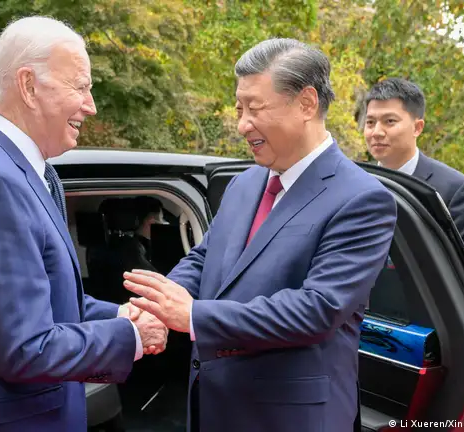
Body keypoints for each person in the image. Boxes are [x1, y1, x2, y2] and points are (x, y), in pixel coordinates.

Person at [123, 38, 398, 432]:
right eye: (239, 110)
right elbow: (207, 258)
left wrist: (194, 316)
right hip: (214, 404)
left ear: (306, 103)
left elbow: (318, 309)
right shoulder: (245, 183)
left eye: (255, 109)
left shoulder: (361, 198)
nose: (242, 125)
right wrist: (158, 302)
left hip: (290, 416)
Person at [0, 16, 167, 432]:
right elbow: (26, 349)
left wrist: (121, 314)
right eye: (80, 86)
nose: (91, 105)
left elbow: (51, 302)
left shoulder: (30, 171)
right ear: (29, 86)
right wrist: (133, 337)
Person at [363, 77, 464, 297]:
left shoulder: (456, 191)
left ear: (417, 127)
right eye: (370, 122)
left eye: (389, 121)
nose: (376, 131)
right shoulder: (357, 183)